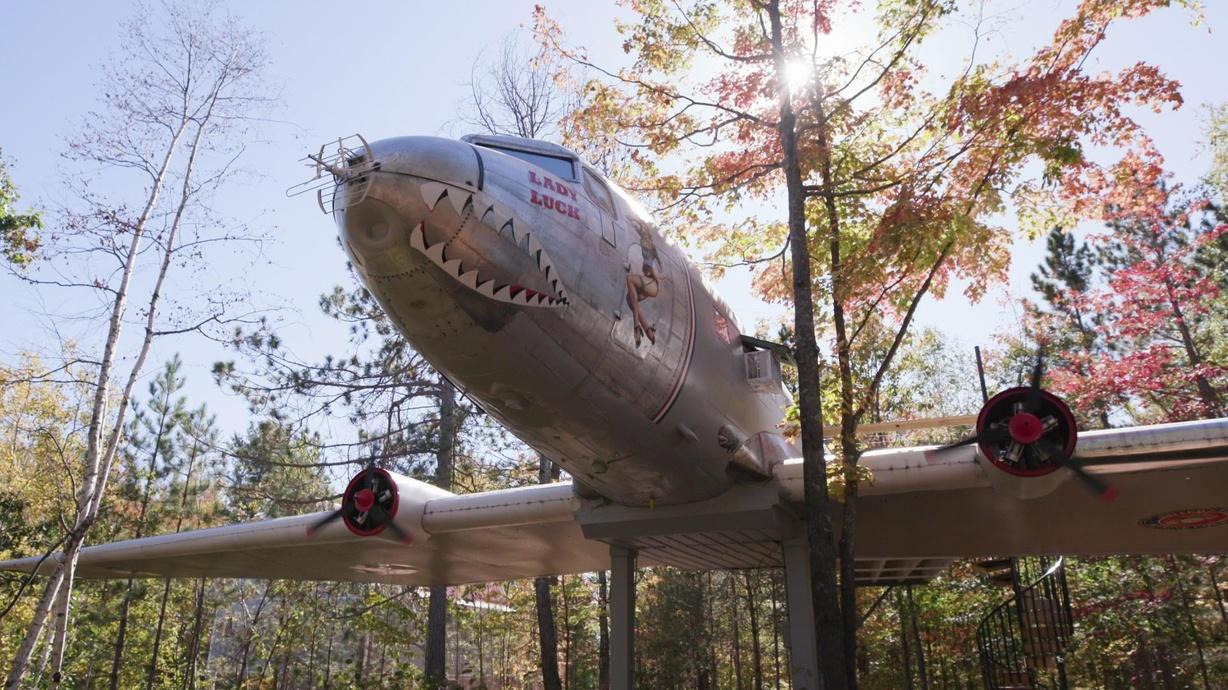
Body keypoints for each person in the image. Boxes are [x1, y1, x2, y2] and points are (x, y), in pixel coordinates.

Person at [625, 222, 662, 346]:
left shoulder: (651, 247)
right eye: (642, 229)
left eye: (645, 229)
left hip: (652, 283)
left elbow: (658, 270)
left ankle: (636, 325)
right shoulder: (644, 241)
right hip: (649, 283)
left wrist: (656, 278)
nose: (642, 230)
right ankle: (648, 332)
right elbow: (636, 227)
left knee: (630, 279)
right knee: (631, 300)